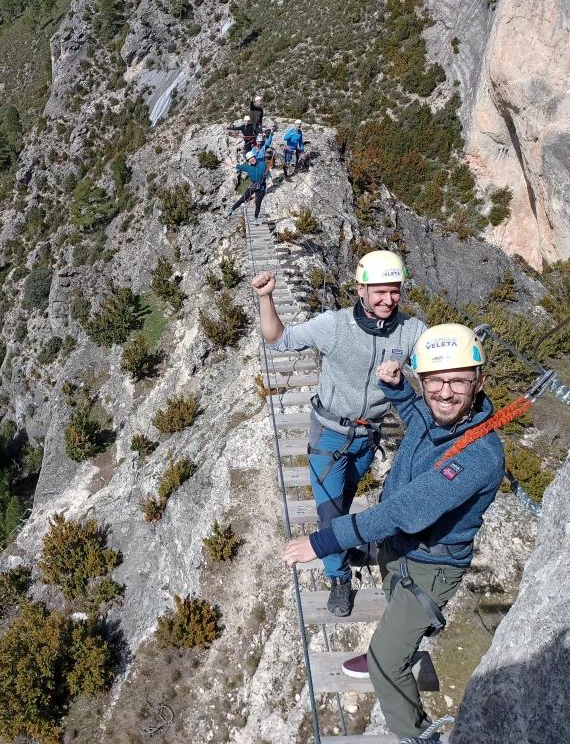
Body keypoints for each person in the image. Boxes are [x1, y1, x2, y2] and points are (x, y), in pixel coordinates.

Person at [282, 323, 505, 742]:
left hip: (432, 566)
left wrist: (322, 541)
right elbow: (418, 414)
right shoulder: (441, 416)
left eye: (457, 380)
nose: (444, 392)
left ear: (479, 382)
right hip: (401, 550)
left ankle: (416, 732)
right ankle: (392, 643)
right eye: (434, 380)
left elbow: (409, 511)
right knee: (390, 596)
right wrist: (400, 387)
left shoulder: (479, 453)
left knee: (388, 663)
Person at [253, 251, 426, 617]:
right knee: (330, 515)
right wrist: (266, 297)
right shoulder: (334, 325)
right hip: (329, 435)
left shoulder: (411, 331)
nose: (388, 300)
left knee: (343, 504)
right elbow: (277, 338)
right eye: (379, 292)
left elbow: (440, 364)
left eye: (394, 291)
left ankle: (342, 546)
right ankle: (339, 577)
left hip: (367, 437)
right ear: (360, 289)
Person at [225, 152, 270, 221]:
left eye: (253, 158)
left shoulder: (263, 164)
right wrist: (228, 164)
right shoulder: (248, 168)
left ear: (255, 157)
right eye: (250, 159)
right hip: (253, 186)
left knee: (258, 204)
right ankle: (231, 210)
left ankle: (255, 218)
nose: (252, 160)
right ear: (248, 161)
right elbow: (237, 166)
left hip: (261, 188)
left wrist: (270, 180)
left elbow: (267, 173)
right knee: (242, 199)